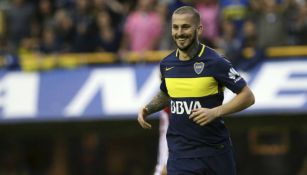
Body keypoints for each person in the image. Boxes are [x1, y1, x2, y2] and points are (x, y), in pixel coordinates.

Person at [138, 6, 255, 175]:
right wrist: (148, 108)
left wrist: (215, 112)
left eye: (185, 27)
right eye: (175, 27)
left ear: (199, 29)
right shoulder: (167, 64)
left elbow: (247, 96)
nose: (179, 32)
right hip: (181, 155)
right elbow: (166, 94)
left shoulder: (215, 62)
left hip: (216, 153)